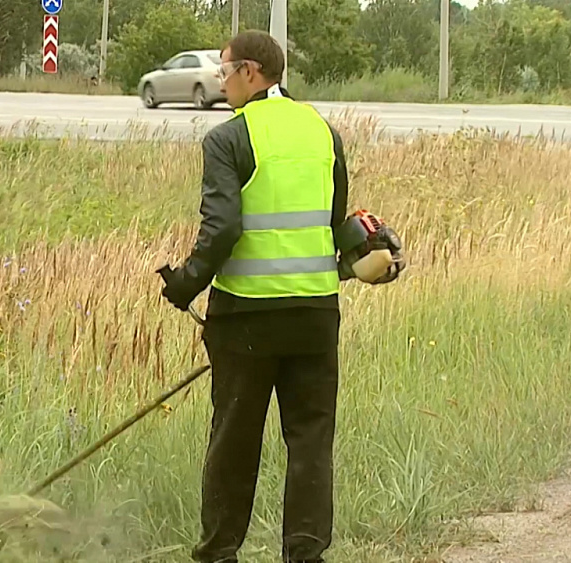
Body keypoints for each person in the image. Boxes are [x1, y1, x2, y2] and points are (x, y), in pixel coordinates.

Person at [156, 30, 399, 563]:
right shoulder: (322, 131)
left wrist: (185, 283)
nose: (221, 84)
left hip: (245, 318)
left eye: (224, 72)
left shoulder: (228, 139)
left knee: (234, 442)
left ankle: (220, 553)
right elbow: (336, 223)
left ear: (250, 71)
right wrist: (372, 250)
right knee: (310, 442)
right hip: (315, 314)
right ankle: (305, 555)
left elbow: (221, 229)